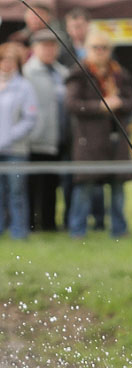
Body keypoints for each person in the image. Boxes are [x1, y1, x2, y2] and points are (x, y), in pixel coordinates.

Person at [65, 30, 132, 238]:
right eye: (95, 47)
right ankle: (77, 230)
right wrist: (100, 106)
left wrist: (120, 103)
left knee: (117, 187)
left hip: (117, 139)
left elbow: (131, 102)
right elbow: (71, 104)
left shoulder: (120, 74)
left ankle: (119, 230)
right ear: (87, 49)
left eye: (104, 47)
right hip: (89, 140)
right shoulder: (79, 73)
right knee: (84, 187)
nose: (100, 51)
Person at [23, 29, 68, 231]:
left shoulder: (62, 73)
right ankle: (31, 224)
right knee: (33, 184)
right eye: (44, 46)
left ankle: (49, 224)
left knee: (52, 183)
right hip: (34, 139)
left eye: (52, 46)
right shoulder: (27, 73)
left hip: (57, 137)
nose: (49, 50)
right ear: (35, 48)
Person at [0, 43, 38, 240]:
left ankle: (19, 231)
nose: (6, 64)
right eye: (3, 60)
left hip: (16, 149)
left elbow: (29, 118)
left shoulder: (24, 87)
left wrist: (7, 136)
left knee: (17, 192)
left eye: (11, 60)